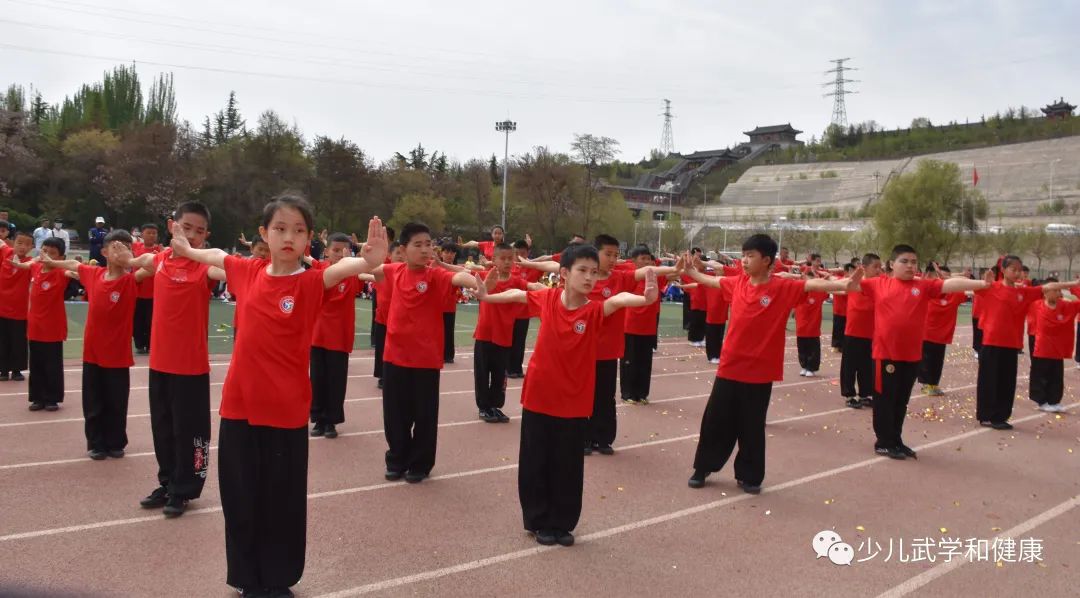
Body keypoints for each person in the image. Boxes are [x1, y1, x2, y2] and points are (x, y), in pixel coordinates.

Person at [169, 194, 386, 597]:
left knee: (281, 499)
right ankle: (246, 576)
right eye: (280, 228)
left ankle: (277, 576)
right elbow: (215, 254)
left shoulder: (311, 279)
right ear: (263, 233)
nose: (289, 237)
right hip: (239, 407)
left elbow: (349, 267)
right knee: (240, 494)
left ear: (309, 239)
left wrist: (370, 259)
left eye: (298, 230)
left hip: (285, 410)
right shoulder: (247, 272)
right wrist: (185, 248)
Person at [474, 244, 659, 547]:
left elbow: (622, 299)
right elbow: (516, 295)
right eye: (582, 271)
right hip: (539, 396)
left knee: (568, 465)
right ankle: (537, 520)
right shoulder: (547, 299)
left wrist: (644, 298)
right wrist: (487, 296)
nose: (590, 277)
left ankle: (562, 522)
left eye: (594, 272)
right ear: (564, 274)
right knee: (535, 461)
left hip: (574, 401)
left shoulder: (596, 309)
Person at [684, 234, 858, 493]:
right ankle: (703, 466)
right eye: (743, 255)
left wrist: (845, 284)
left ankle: (749, 475)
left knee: (751, 425)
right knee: (716, 419)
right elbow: (712, 280)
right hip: (730, 365)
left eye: (750, 256)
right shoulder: (738, 282)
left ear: (767, 260)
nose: (744, 261)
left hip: (760, 370)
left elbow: (813, 286)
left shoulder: (782, 288)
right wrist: (690, 271)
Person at [518, 234, 676, 455]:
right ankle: (582, 438)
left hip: (607, 350)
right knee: (583, 395)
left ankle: (603, 438)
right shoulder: (576, 277)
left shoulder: (620, 277)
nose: (612, 259)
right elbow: (553, 264)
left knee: (604, 395)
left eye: (615, 255)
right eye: (607, 254)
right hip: (581, 350)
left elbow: (643, 274)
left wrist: (675, 270)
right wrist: (527, 263)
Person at [121, 202, 225, 517]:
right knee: (163, 428)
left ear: (207, 235)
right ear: (172, 226)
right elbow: (135, 261)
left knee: (190, 431)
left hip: (190, 367)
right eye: (186, 228)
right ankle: (167, 482)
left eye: (200, 231)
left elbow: (225, 265)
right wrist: (122, 258)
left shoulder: (204, 266)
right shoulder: (160, 261)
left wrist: (195, 252)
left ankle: (185, 489)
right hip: (160, 364)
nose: (192, 235)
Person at [852, 246, 988, 460]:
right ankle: (884, 442)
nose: (910, 265)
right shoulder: (878, 284)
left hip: (912, 355)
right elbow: (848, 286)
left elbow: (950, 284)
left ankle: (896, 439)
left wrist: (982, 283)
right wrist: (851, 280)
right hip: (886, 355)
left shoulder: (923, 286)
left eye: (913, 262)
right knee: (885, 400)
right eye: (904, 261)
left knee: (900, 401)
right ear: (891, 264)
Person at [369, 222, 479, 483]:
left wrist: (473, 281)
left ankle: (420, 463)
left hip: (425, 360)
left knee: (424, 415)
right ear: (403, 249)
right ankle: (397, 458)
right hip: (394, 356)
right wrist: (368, 255)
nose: (425, 249)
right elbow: (369, 269)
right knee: (394, 414)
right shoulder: (394, 271)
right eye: (417, 245)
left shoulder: (434, 275)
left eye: (428, 244)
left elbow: (457, 277)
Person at [44, 230, 152, 459]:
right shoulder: (94, 275)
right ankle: (96, 443)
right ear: (103, 252)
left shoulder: (131, 280)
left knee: (116, 400)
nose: (121, 251)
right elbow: (73, 264)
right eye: (116, 247)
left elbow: (152, 267)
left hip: (118, 354)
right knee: (93, 400)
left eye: (126, 247)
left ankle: (115, 442)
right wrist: (51, 261)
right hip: (92, 352)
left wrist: (130, 261)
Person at [975, 256, 1077, 430]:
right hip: (991, 342)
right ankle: (986, 415)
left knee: (1007, 382)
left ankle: (1000, 416)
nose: (1016, 273)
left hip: (1012, 344)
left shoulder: (1024, 292)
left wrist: (1072, 283)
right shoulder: (991, 287)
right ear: (1004, 270)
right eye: (1013, 269)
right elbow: (962, 285)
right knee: (989, 380)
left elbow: (1049, 287)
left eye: (1019, 270)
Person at [309, 233, 363, 439]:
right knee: (317, 379)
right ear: (326, 252)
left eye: (345, 251)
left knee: (336, 380)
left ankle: (331, 420)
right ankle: (318, 418)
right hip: (318, 334)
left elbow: (366, 272)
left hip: (340, 337)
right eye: (336, 250)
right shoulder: (319, 272)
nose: (340, 254)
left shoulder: (352, 275)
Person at [473, 243, 531, 423]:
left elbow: (533, 285)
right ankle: (484, 407)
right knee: (482, 373)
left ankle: (496, 406)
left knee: (500, 375)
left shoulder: (517, 282)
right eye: (502, 258)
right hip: (485, 335)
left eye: (509, 258)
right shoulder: (485, 277)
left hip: (505, 336)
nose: (507, 262)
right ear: (494, 260)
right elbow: (462, 275)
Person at [15, 237, 69, 410]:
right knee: (36, 364)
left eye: (52, 253)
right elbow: (25, 265)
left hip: (53, 328)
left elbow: (73, 271)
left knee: (52, 365)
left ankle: (52, 398)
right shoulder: (36, 268)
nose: (47, 256)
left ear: (61, 257)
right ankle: (37, 397)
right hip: (35, 326)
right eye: (45, 251)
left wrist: (67, 266)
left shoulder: (61, 273)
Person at [620, 245, 666, 404]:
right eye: (643, 259)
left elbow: (671, 272)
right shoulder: (629, 276)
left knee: (645, 363)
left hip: (648, 328)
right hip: (630, 326)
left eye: (649, 259)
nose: (647, 262)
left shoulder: (655, 276)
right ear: (634, 261)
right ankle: (628, 394)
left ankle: (641, 393)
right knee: (629, 362)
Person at [1028, 278, 1080, 413]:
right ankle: (1042, 401)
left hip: (1057, 350)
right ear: (1045, 292)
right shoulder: (1036, 305)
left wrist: (1074, 289)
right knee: (1040, 375)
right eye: (1054, 290)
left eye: (1059, 290)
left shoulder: (1066, 306)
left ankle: (1054, 401)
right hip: (1042, 349)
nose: (1057, 293)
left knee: (1056, 377)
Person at [840, 253, 882, 409]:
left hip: (871, 333)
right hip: (853, 332)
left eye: (880, 266)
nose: (879, 270)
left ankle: (865, 394)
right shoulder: (854, 283)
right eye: (875, 266)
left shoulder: (879, 285)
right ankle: (849, 395)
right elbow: (842, 286)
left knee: (867, 366)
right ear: (864, 268)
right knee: (850, 366)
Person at [918, 265, 966, 396]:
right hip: (926, 334)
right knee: (926, 361)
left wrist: (947, 278)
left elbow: (962, 288)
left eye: (944, 278)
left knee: (937, 362)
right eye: (938, 277)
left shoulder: (954, 296)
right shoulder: (928, 294)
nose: (941, 280)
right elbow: (920, 285)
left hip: (942, 336)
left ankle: (933, 384)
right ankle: (926, 384)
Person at [364, 242, 404, 390]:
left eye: (402, 254)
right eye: (397, 253)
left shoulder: (407, 273)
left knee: (398, 350)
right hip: (383, 318)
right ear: (389, 255)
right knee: (381, 349)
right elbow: (366, 270)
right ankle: (382, 376)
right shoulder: (382, 271)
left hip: (400, 321)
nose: (400, 257)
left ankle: (398, 375)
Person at [0, 231, 33, 381]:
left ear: (31, 247)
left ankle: (17, 370)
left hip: (20, 311)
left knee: (18, 341)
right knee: (2, 340)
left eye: (27, 244)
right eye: (19, 243)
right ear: (13, 242)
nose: (22, 247)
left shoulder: (30, 262)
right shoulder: (5, 253)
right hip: (1, 307)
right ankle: (3, 370)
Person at [507, 239, 541, 378]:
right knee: (509, 341)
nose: (520, 256)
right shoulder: (509, 267)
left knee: (520, 342)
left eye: (523, 253)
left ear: (528, 253)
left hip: (524, 313)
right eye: (517, 253)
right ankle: (508, 368)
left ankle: (517, 368)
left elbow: (549, 264)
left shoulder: (534, 268)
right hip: (509, 312)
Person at [132, 224, 163, 355]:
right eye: (149, 233)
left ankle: (151, 345)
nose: (151, 235)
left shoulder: (161, 251)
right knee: (137, 321)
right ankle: (139, 344)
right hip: (137, 291)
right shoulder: (135, 248)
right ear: (142, 234)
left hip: (154, 293)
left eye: (154, 233)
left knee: (152, 321)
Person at [795, 286, 828, 377]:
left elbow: (826, 287)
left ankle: (811, 368)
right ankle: (804, 366)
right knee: (802, 349)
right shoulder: (798, 293)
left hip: (813, 329)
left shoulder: (819, 293)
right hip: (801, 328)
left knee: (813, 350)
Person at [438, 242, 461, 364]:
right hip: (436, 306)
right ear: (441, 253)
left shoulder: (457, 269)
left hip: (450, 306)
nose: (449, 255)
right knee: (436, 331)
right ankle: (437, 353)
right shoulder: (434, 267)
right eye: (446, 252)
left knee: (448, 331)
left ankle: (448, 355)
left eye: (452, 252)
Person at [830, 264, 855, 351]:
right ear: (846, 271)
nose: (853, 273)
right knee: (838, 328)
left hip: (849, 311)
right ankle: (836, 346)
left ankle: (844, 346)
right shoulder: (838, 279)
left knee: (847, 329)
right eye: (851, 271)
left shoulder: (853, 283)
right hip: (839, 310)